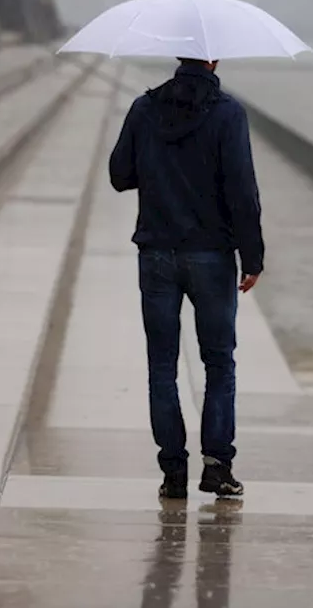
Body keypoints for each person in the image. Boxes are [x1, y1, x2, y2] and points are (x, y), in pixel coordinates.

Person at [108, 57, 264, 501]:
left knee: (162, 365)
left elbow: (120, 175)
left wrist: (159, 170)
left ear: (178, 57)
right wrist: (252, 256)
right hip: (212, 256)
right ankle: (217, 467)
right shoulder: (228, 113)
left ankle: (173, 473)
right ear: (214, 59)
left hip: (156, 252)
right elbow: (241, 189)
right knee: (219, 363)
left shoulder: (144, 108)